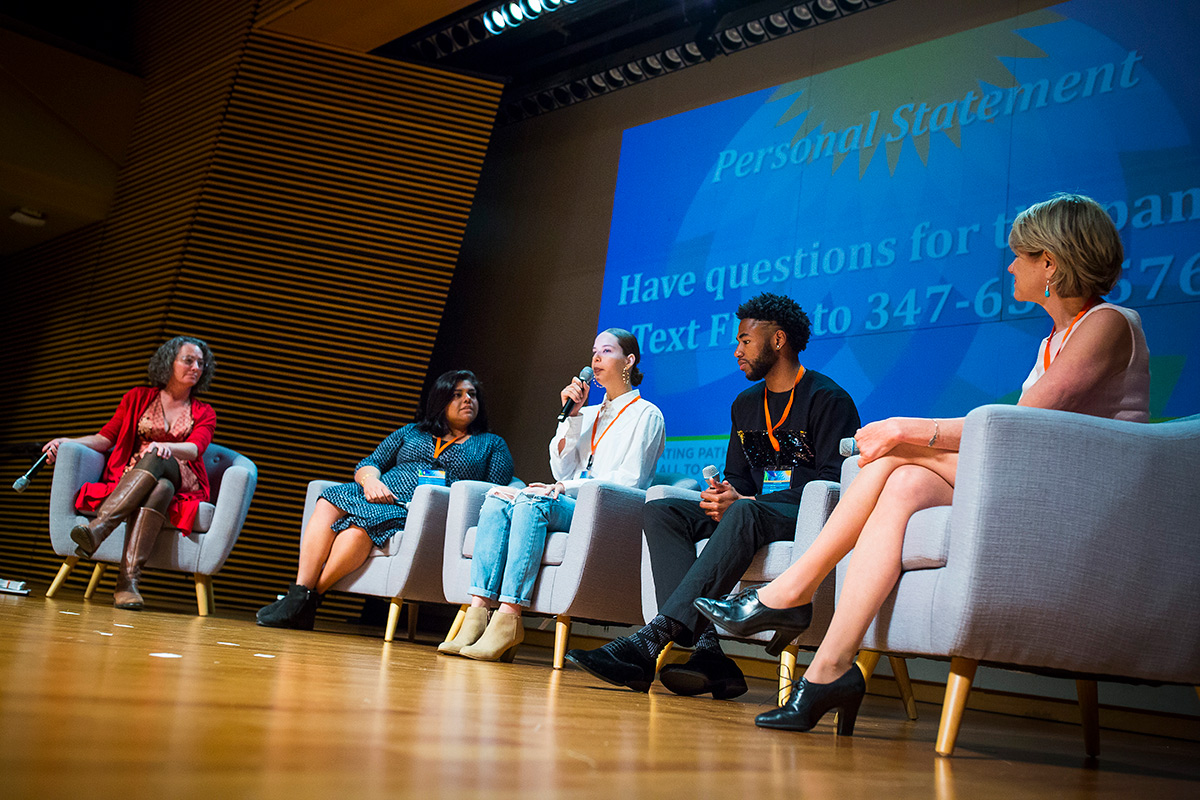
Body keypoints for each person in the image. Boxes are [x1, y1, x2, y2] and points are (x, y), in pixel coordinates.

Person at [695, 193, 1150, 735]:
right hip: (1035, 479)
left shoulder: (1108, 323)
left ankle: (791, 593)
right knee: (903, 479)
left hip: (1084, 497)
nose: (1010, 266)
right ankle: (827, 669)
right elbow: (1012, 435)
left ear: (1049, 262)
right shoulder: (1056, 339)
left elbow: (1023, 425)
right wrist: (906, 440)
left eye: (1020, 255)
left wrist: (906, 429)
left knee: (893, 455)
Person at [564, 293, 860, 695]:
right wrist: (725, 493)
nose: (736, 351)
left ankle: (650, 643)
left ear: (777, 341)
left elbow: (833, 484)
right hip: (753, 511)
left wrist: (746, 503)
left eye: (744, 340)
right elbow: (741, 479)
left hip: (804, 515)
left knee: (742, 514)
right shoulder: (746, 404)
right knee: (663, 511)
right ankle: (708, 652)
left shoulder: (827, 399)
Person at [438, 328, 665, 662]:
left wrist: (565, 488)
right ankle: (477, 615)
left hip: (604, 510)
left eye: (606, 351)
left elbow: (630, 479)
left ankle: (509, 619)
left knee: (532, 502)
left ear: (629, 360)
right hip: (569, 497)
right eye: (593, 352)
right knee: (498, 500)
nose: (596, 359)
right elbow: (561, 468)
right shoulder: (585, 413)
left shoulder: (647, 414)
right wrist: (571, 418)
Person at [257, 370, 514, 630]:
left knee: (358, 531)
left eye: (472, 394)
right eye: (457, 395)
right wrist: (371, 482)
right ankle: (301, 592)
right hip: (378, 492)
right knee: (327, 500)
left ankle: (303, 601)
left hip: (414, 508)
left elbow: (491, 492)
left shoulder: (491, 444)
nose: (467, 399)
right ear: (440, 402)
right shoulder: (412, 432)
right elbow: (370, 463)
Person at [42, 336, 218, 610]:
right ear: (169, 362)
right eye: (188, 360)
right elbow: (105, 438)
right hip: (138, 478)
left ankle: (99, 528)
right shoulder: (137, 397)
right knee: (161, 488)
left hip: (183, 475)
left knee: (160, 463)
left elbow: (196, 449)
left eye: (200, 363)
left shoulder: (204, 412)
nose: (196, 367)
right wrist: (68, 441)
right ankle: (128, 583)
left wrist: (166, 447)